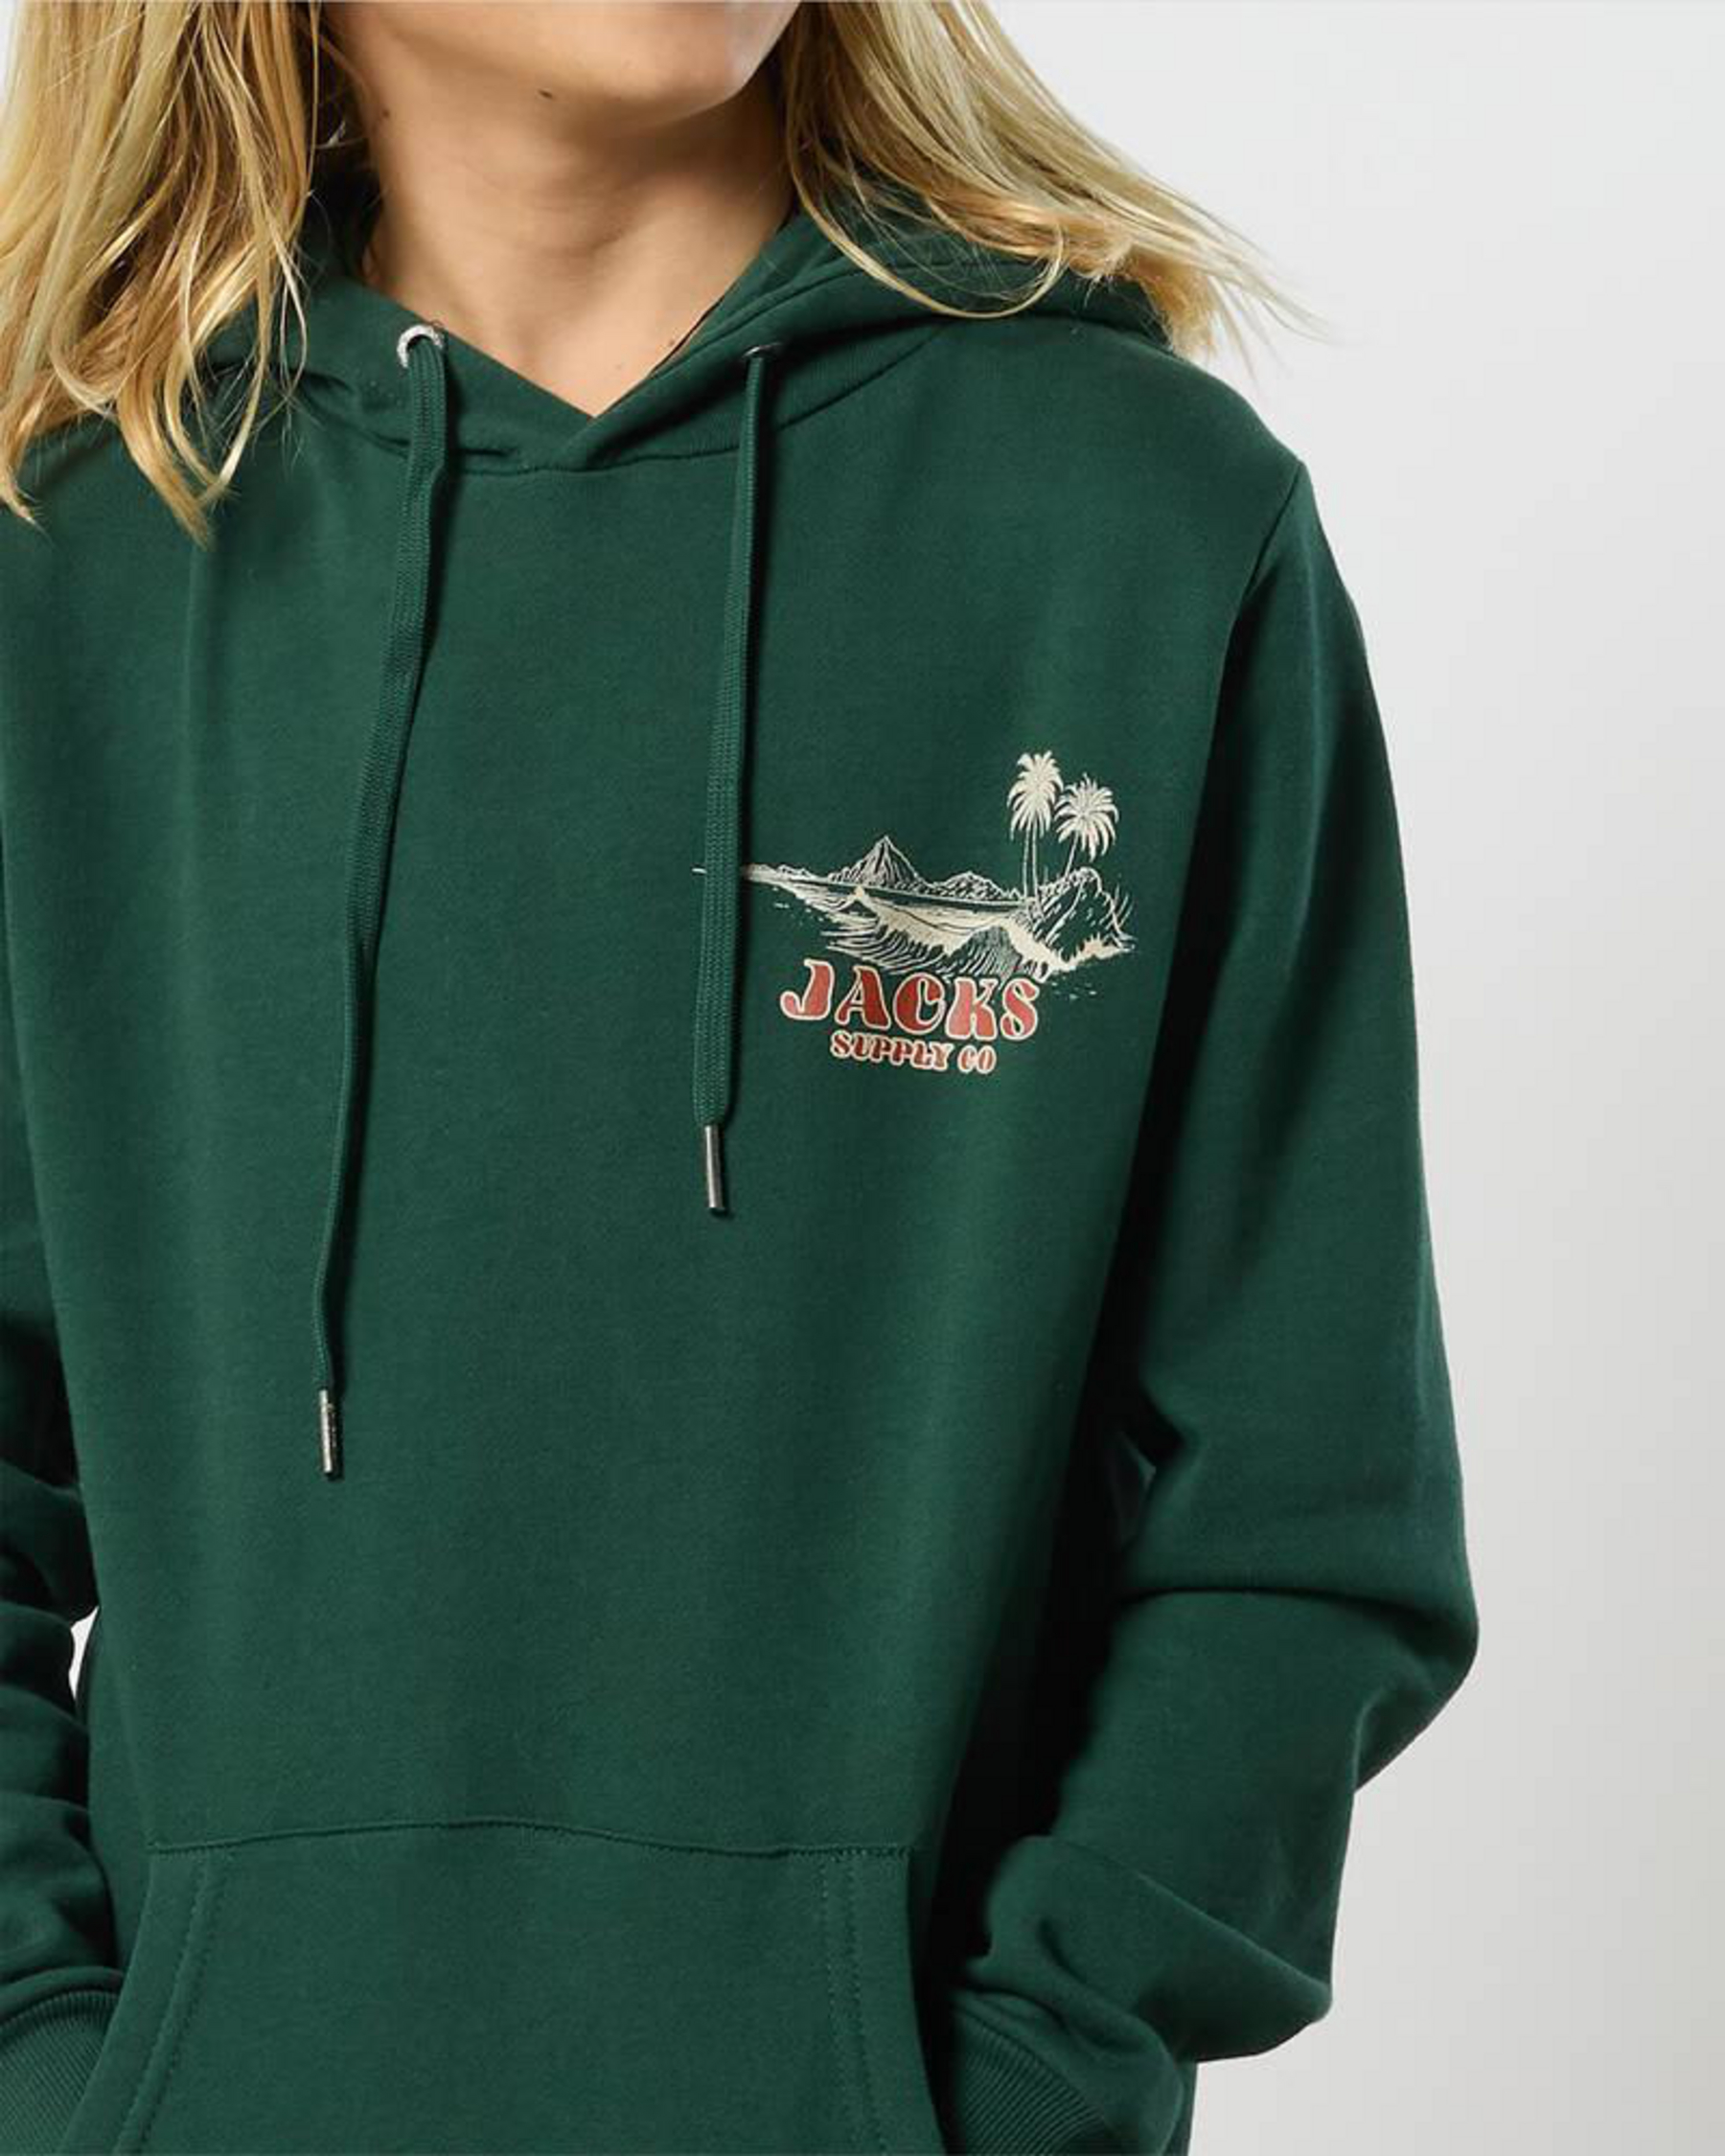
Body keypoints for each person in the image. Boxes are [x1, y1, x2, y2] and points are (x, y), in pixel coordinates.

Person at [0, 5, 1478, 2152]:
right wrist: (64, 2083)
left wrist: (1009, 2095)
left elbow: (1305, 1522)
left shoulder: (1138, 526)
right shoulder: (70, 573)